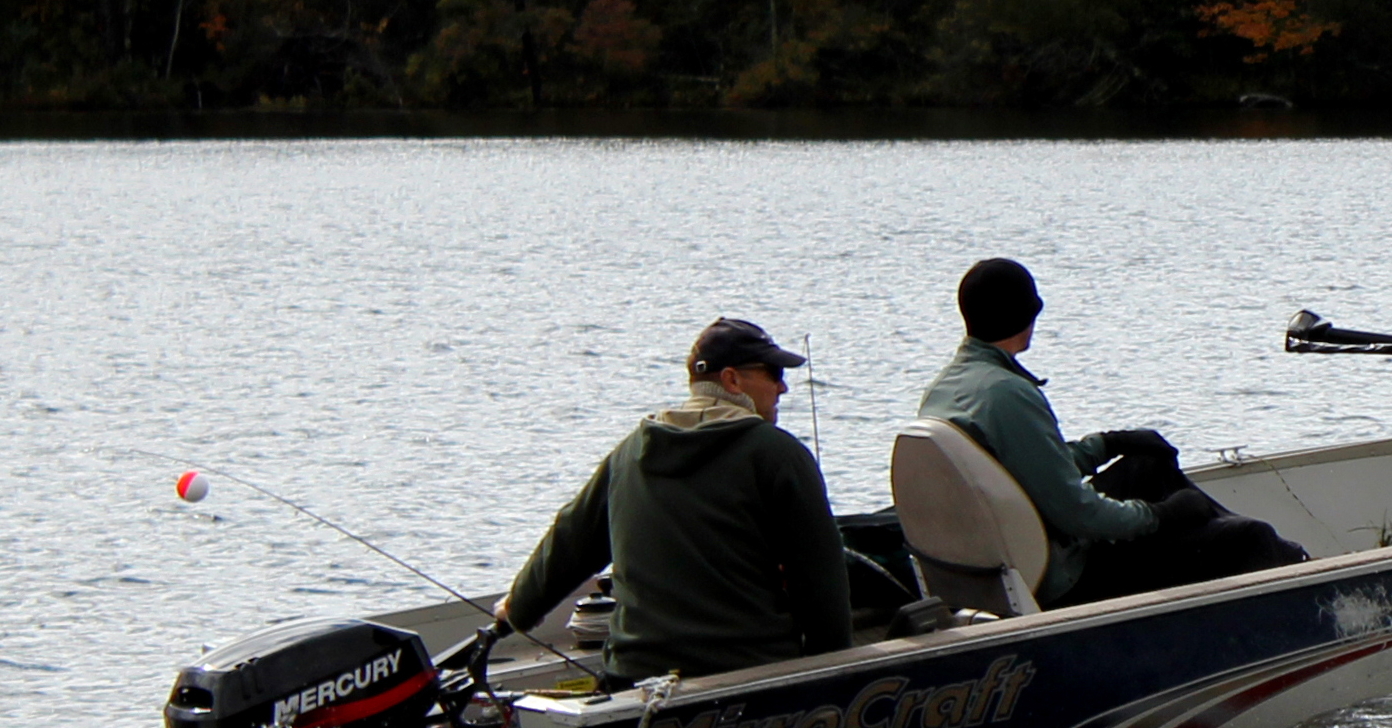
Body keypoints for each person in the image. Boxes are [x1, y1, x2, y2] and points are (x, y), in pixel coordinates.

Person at [917, 257, 1304, 604]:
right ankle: (1291, 565)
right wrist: (1159, 516)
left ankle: (1246, 540)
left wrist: (1105, 445)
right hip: (1062, 576)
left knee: (1146, 465)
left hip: (1001, 563)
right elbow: (1079, 515)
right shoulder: (1007, 394)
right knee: (1248, 537)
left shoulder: (949, 387)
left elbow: (1024, 467)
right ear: (1026, 314)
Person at [498, 317, 854, 680]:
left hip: (634, 674)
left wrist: (518, 610)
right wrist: (834, 670)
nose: (783, 387)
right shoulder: (778, 454)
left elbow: (570, 542)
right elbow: (821, 581)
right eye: (773, 373)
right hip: (750, 669)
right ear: (732, 379)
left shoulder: (631, 452)